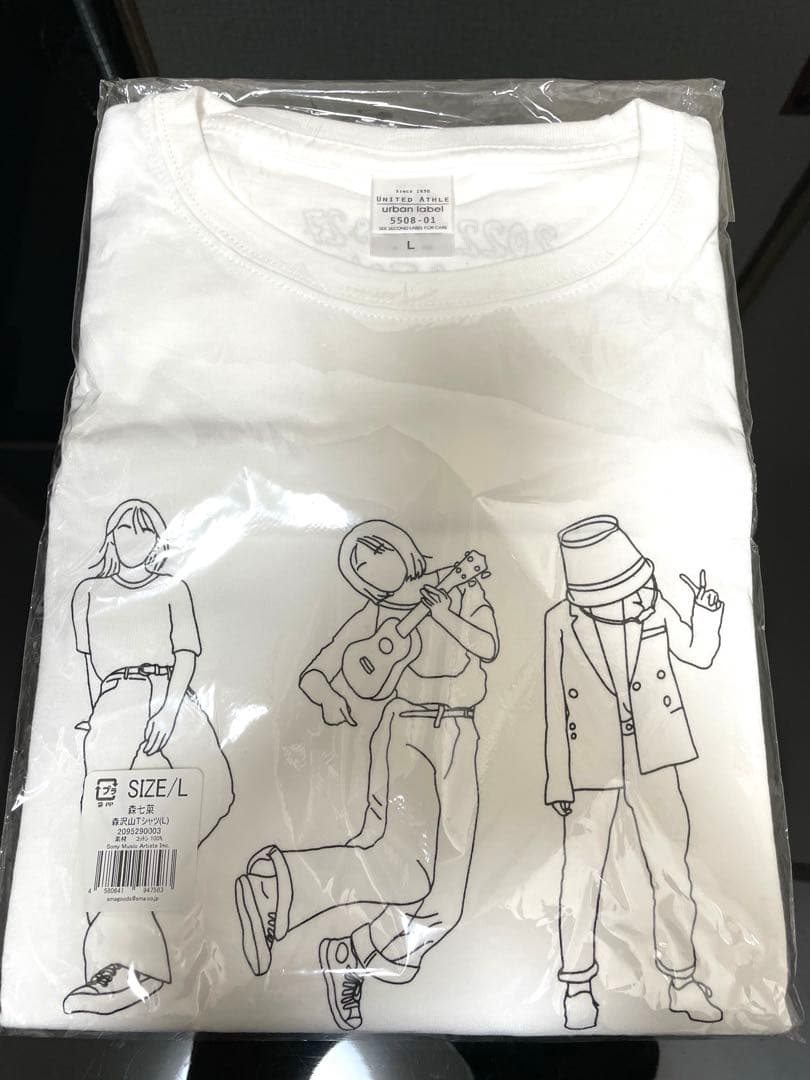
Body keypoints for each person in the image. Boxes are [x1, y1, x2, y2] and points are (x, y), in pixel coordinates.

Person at [235, 520, 498, 1030]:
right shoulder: (377, 613)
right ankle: (278, 884)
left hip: (460, 732)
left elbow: (487, 645)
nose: (366, 569)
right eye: (357, 565)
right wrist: (330, 698)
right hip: (406, 732)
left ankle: (352, 951)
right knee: (396, 861)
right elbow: (317, 671)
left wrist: (441, 611)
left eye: (372, 554)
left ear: (401, 549)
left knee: (446, 897)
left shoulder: (463, 587)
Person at [544, 514, 724, 1030]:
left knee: (671, 869)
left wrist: (704, 613)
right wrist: (558, 776)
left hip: (655, 756)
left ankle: (682, 979)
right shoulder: (561, 621)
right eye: (618, 590)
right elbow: (555, 700)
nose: (636, 595)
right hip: (590, 764)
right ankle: (577, 985)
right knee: (581, 875)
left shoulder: (651, 603)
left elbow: (699, 654)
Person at [63, 499, 234, 1015]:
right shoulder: (89, 592)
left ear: (158, 541)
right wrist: (96, 717)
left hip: (173, 697)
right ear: (110, 537)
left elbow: (185, 656)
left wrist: (166, 711)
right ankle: (121, 960)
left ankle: (146, 898)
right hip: (118, 700)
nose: (133, 537)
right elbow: (90, 665)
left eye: (144, 530)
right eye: (124, 528)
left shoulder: (174, 587)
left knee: (217, 792)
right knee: (113, 827)